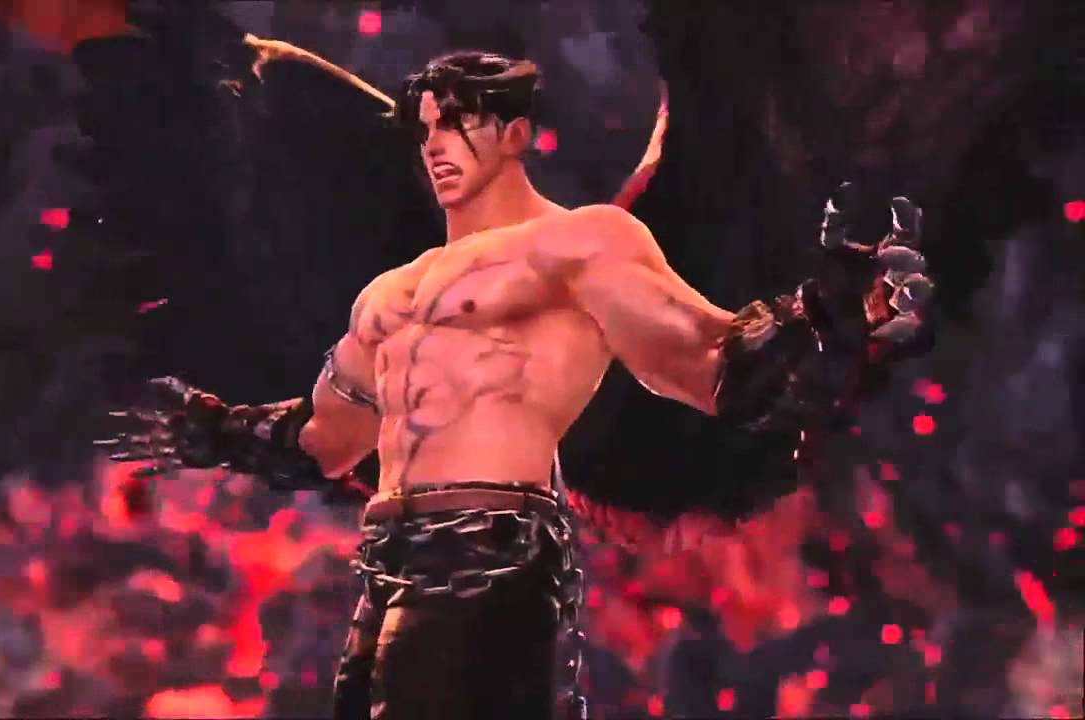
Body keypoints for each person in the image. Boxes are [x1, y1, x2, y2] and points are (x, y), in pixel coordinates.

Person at [98, 51, 934, 720]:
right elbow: (328, 440)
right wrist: (221, 432)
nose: (437, 144)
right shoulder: (390, 294)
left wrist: (825, 313)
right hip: (390, 559)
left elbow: (713, 367)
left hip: (488, 553)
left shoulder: (582, 246)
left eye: (459, 124)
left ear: (515, 134)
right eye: (426, 126)